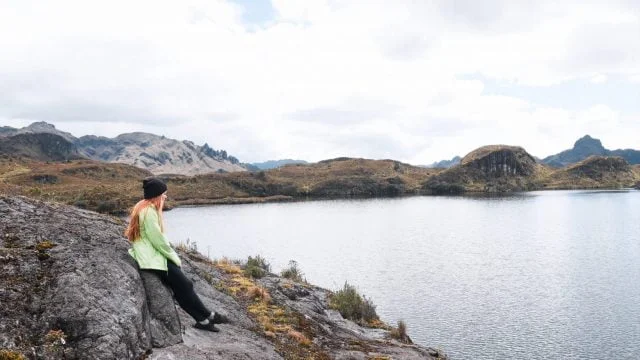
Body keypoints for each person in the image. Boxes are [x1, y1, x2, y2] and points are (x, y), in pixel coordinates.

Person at [125, 177, 228, 332]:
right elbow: (157, 240)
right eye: (163, 194)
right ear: (156, 195)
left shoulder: (142, 207)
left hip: (150, 254)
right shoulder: (149, 211)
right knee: (184, 285)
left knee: (182, 286)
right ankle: (208, 316)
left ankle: (204, 319)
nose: (165, 197)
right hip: (151, 257)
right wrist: (174, 257)